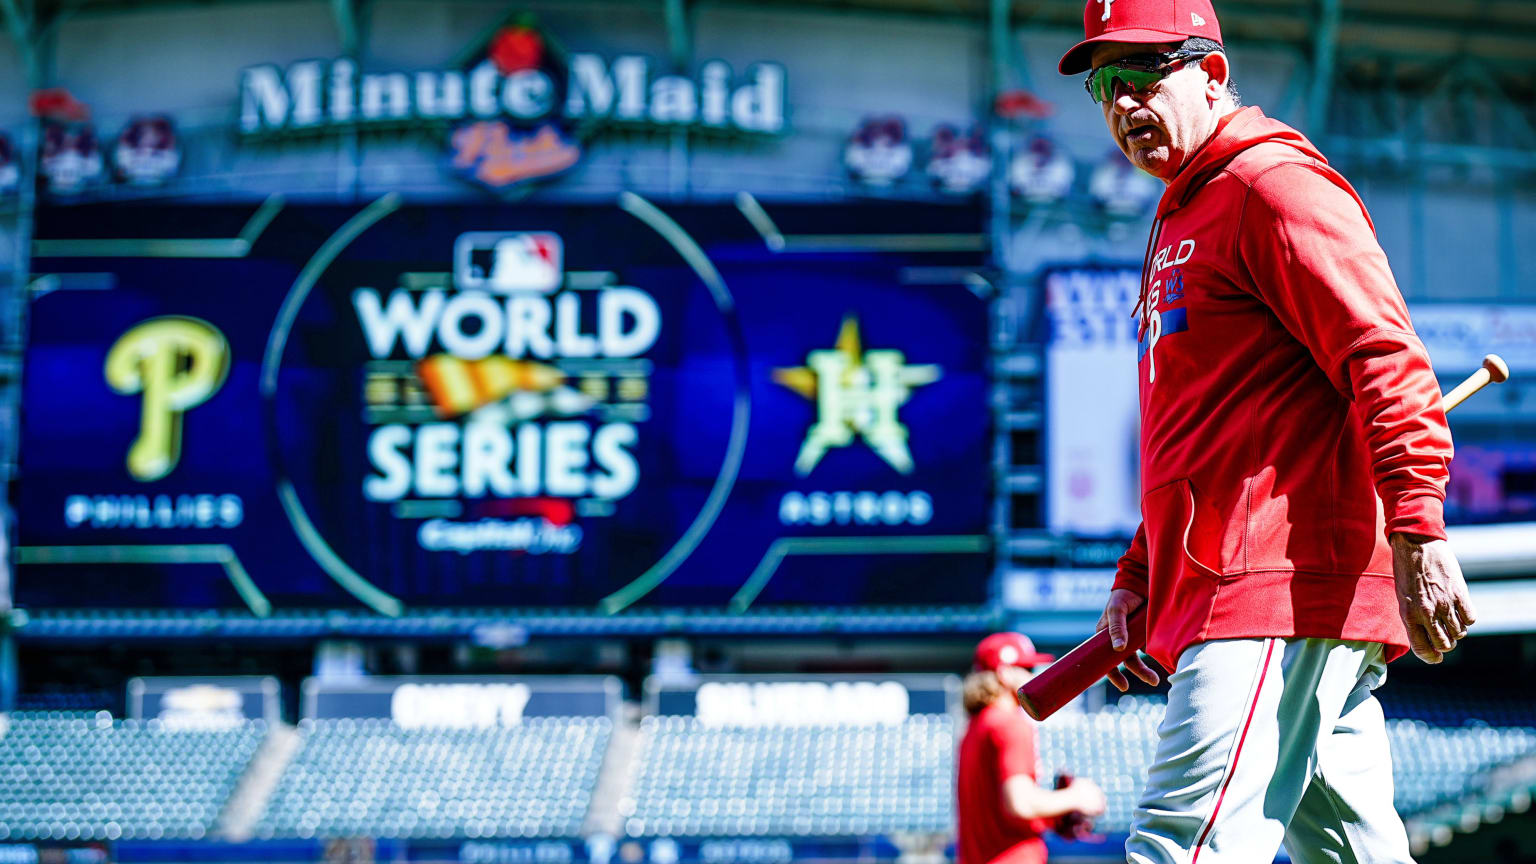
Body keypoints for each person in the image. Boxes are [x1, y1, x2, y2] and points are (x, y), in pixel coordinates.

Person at [1055, 1, 1478, 861]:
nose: (1122, 105)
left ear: (1210, 74)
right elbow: (1203, 438)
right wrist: (1142, 575)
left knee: (1184, 844)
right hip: (1240, 582)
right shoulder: (1184, 211)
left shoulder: (1269, 185)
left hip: (1270, 588)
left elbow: (1384, 356)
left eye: (1143, 77)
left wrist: (1419, 529)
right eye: (1105, 86)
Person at [957, 632, 1107, 864]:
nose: (1032, 676)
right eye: (1026, 669)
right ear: (1004, 673)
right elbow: (1021, 802)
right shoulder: (1009, 723)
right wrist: (1076, 797)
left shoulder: (975, 726)